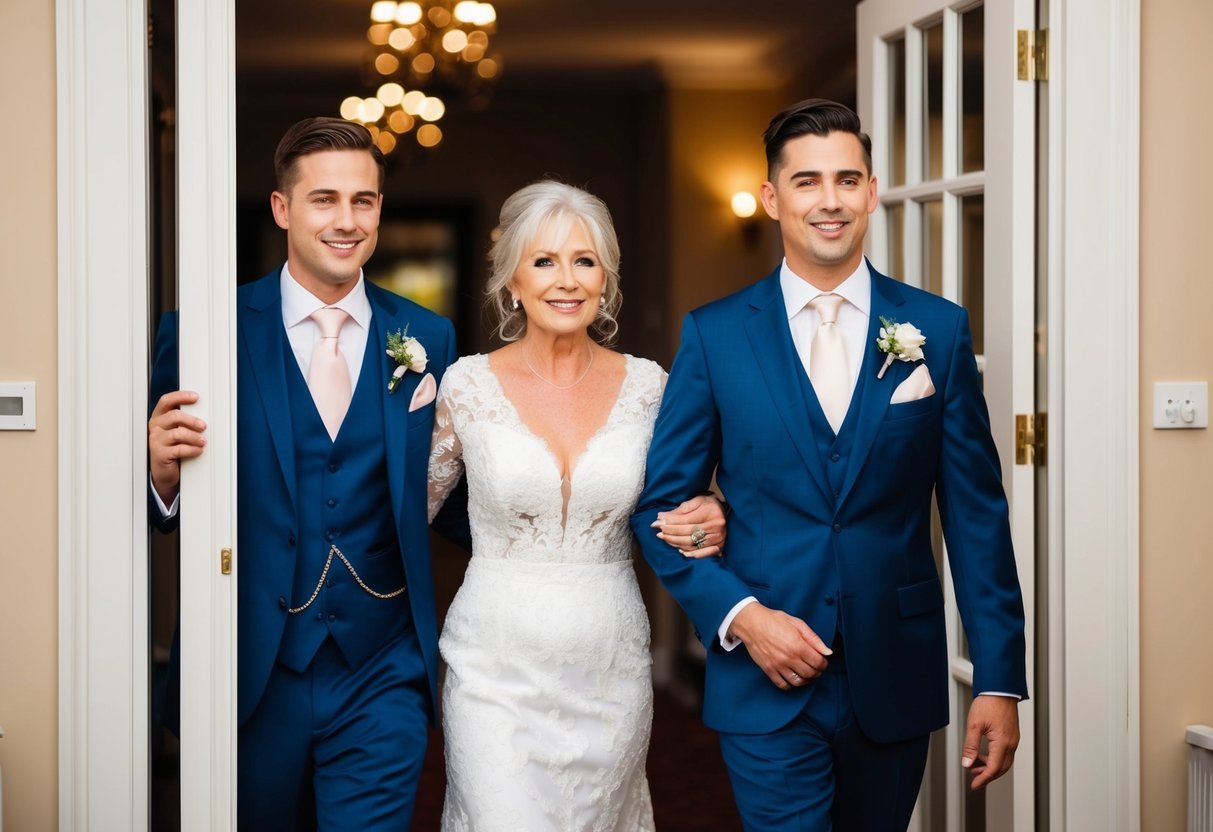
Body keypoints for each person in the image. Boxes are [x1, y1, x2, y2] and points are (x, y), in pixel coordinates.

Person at [630, 98, 1028, 830]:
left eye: (847, 180)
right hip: (763, 676)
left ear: (871, 193)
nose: (830, 200)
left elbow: (976, 515)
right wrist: (745, 619)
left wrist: (999, 679)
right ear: (772, 197)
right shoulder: (715, 335)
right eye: (807, 181)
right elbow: (661, 510)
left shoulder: (936, 330)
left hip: (895, 670)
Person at [147, 116, 470, 829]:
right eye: (324, 199)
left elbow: (447, 495)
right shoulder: (204, 332)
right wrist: (159, 479)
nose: (346, 220)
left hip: (382, 666)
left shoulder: (428, 336)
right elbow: (154, 496)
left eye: (363, 201)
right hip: (250, 669)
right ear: (282, 208)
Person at [425, 180, 727, 831]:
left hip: (610, 665)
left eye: (584, 260)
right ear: (512, 280)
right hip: (493, 667)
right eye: (544, 261)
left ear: (605, 278)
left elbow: (684, 503)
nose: (566, 280)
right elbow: (403, 511)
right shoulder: (466, 385)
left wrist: (711, 516)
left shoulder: (650, 387)